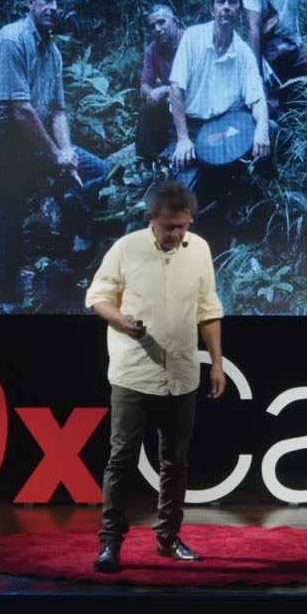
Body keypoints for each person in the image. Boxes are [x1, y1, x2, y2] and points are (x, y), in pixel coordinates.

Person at [85, 179, 225, 573]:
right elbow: (98, 297)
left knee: (175, 461)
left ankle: (168, 536)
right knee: (121, 460)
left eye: (184, 226)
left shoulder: (199, 250)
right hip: (134, 373)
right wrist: (122, 321)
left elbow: (208, 308)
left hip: (181, 373)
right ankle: (111, 543)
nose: (177, 234)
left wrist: (216, 362)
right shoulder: (126, 248)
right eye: (169, 227)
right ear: (151, 218)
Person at [0, 0, 110, 310]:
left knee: (97, 170)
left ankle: (81, 235)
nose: (53, 7)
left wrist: (65, 153)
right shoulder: (12, 40)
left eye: (59, 3)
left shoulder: (53, 52)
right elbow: (20, 110)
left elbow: (59, 110)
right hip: (4, 138)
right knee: (8, 217)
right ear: (30, 2)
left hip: (35, 134)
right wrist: (56, 155)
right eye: (47, 0)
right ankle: (8, 300)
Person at [166, 0, 271, 247]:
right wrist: (183, 139)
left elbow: (257, 98)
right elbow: (176, 88)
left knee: (272, 133)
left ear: (239, 10)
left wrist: (261, 129)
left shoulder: (243, 51)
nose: (226, 7)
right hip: (192, 127)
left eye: (232, 2)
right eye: (221, 1)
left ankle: (259, 227)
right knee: (184, 193)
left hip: (226, 126)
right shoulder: (193, 38)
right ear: (212, 7)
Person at [135, 4, 184, 161]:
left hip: (193, 100)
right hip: (170, 102)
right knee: (146, 109)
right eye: (152, 26)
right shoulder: (152, 49)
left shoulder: (189, 42)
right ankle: (147, 162)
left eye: (162, 22)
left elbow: (197, 85)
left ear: (174, 21)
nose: (157, 29)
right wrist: (160, 95)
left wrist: (164, 90)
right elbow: (144, 88)